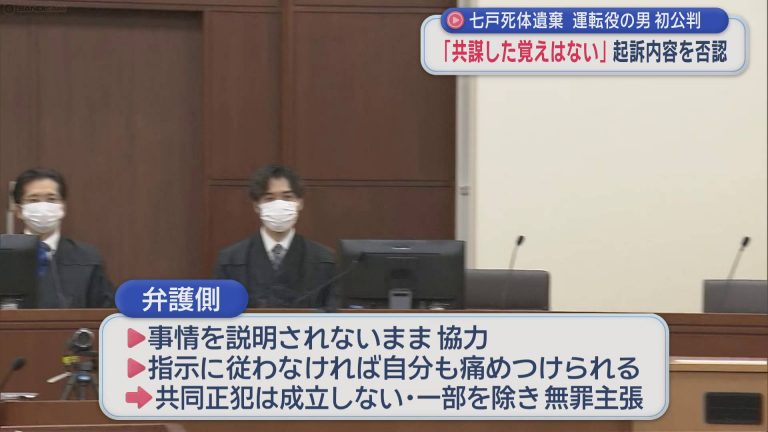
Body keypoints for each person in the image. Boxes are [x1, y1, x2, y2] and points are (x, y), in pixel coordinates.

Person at [214, 164, 336, 308]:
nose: (279, 205)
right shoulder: (230, 260)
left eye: (287, 197)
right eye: (269, 198)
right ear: (256, 206)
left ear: (300, 203)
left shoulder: (324, 260)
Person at [12, 168, 114, 308]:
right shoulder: (5, 254)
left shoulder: (86, 257)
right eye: (33, 200)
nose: (43, 207)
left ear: (62, 208)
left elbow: (105, 310)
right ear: (18, 210)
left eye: (51, 199)